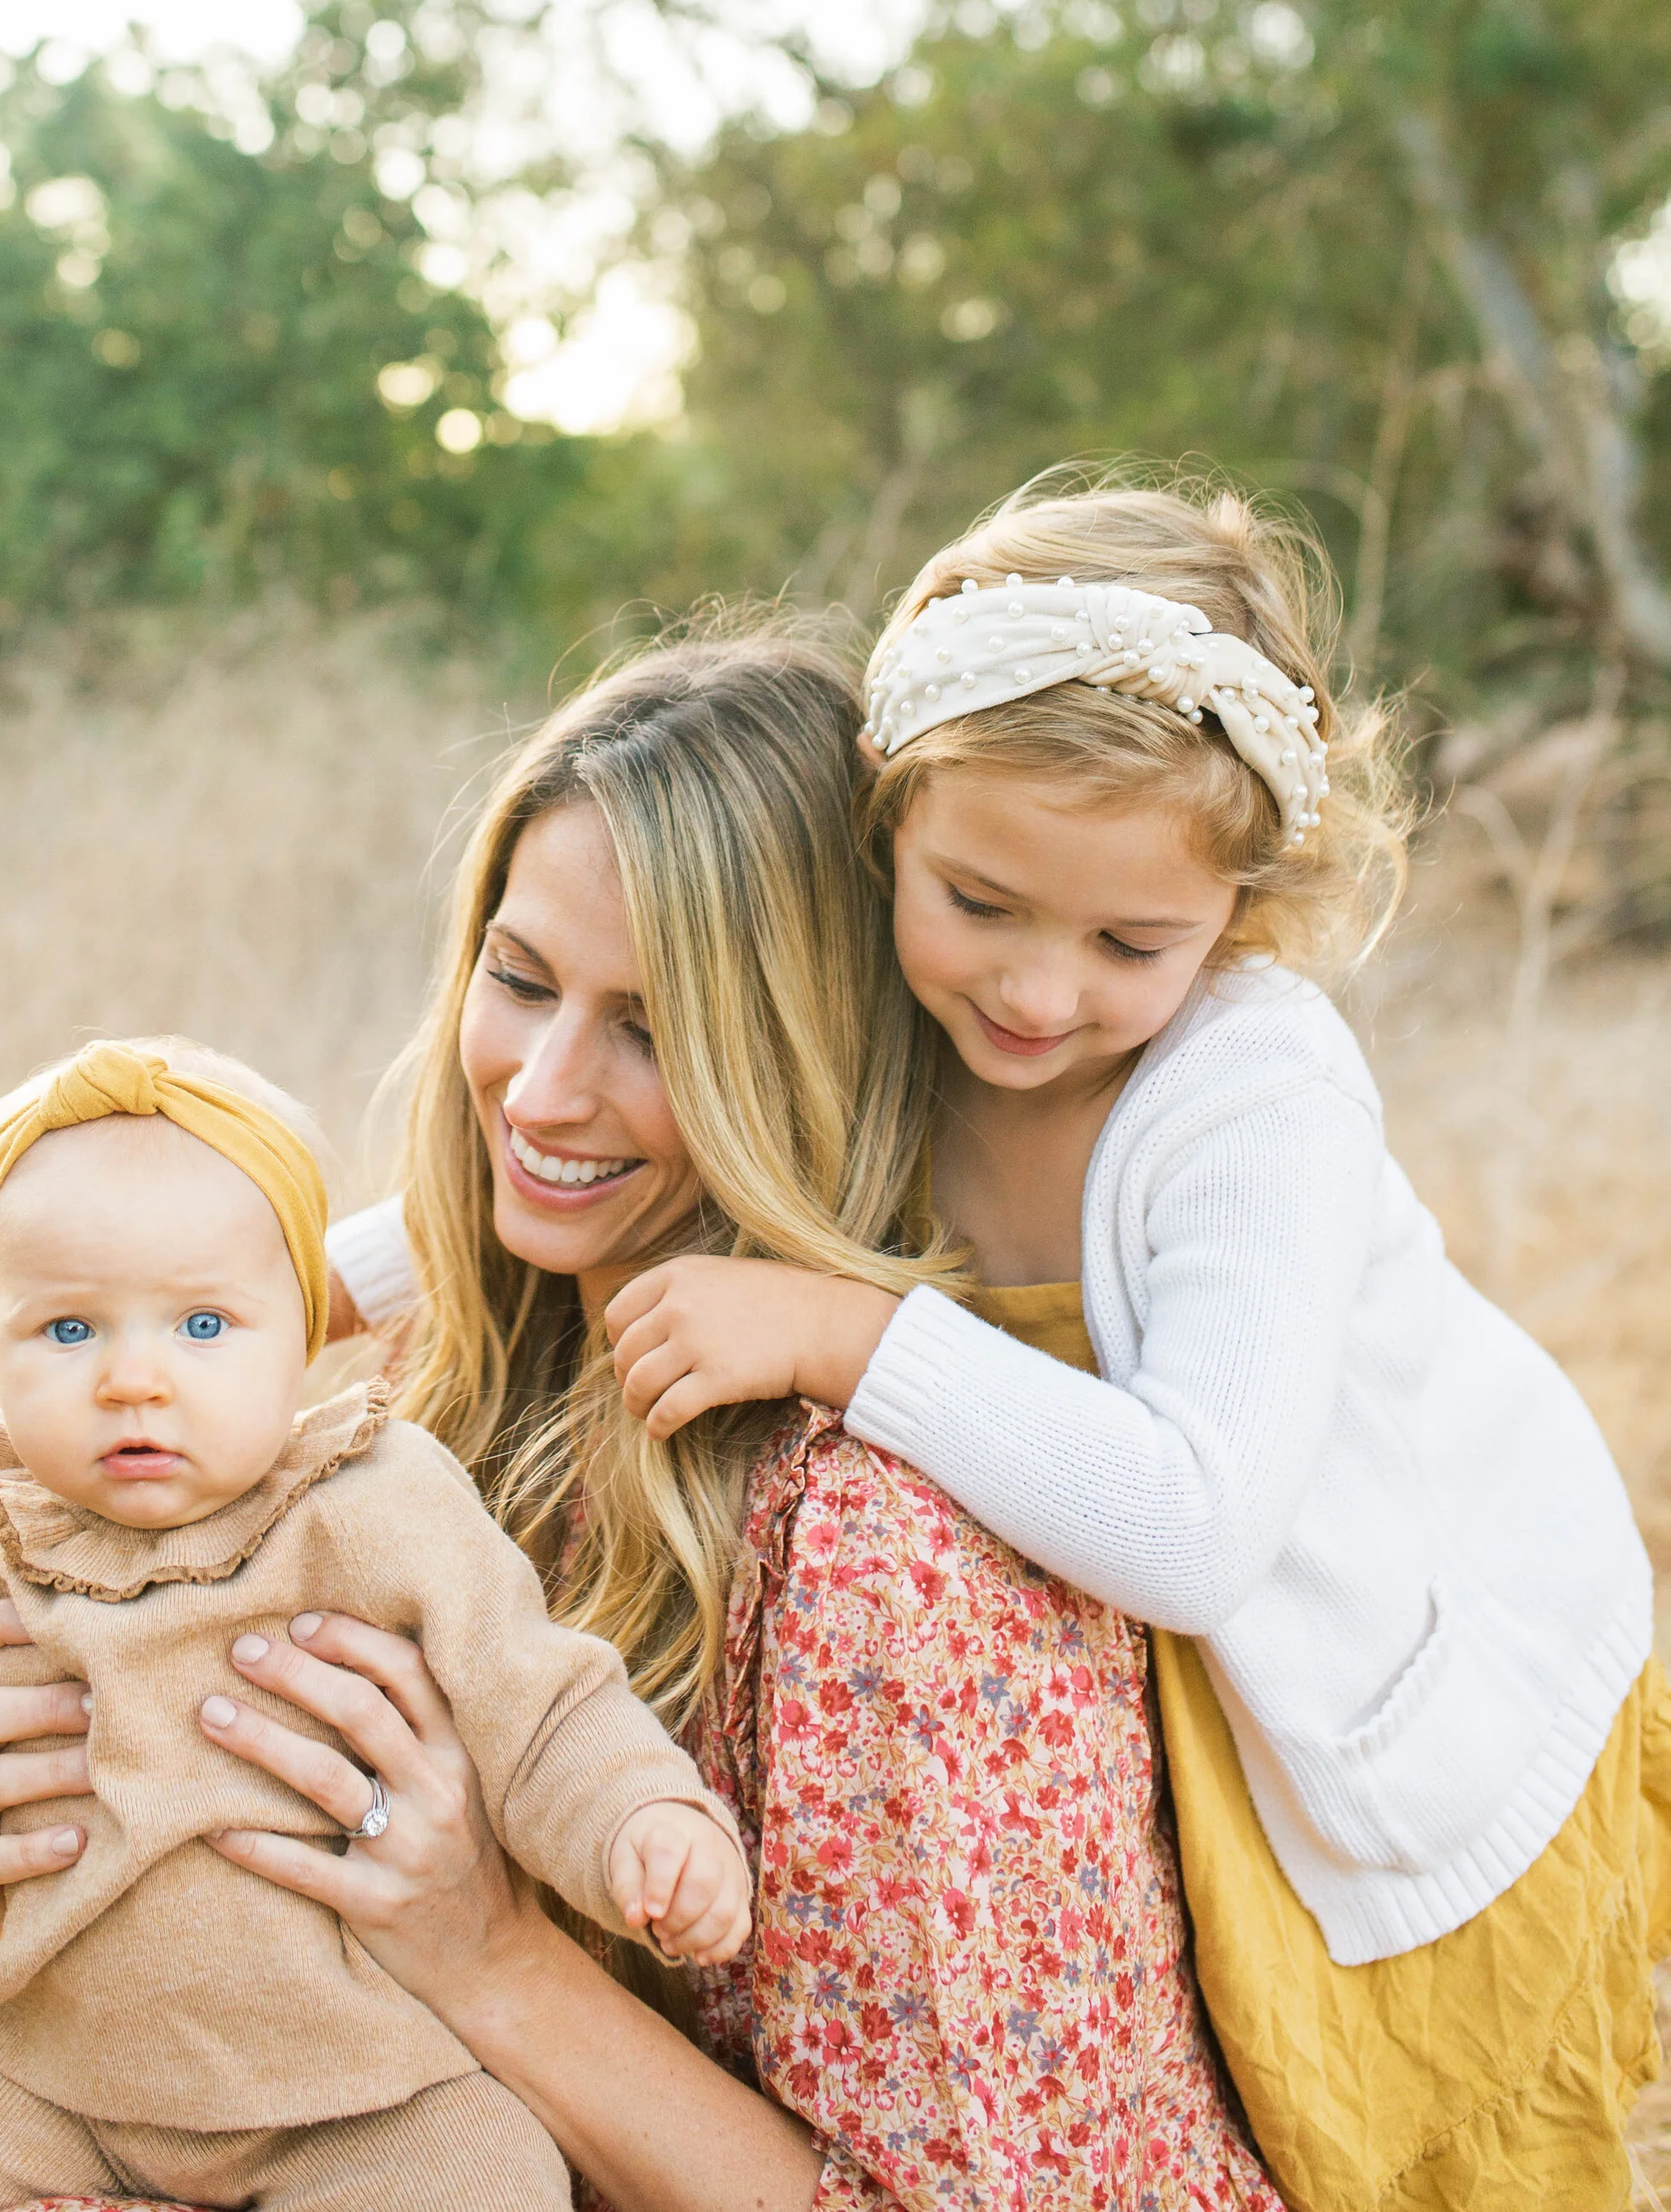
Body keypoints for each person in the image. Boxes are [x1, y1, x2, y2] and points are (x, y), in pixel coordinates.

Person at [0, 634, 1284, 2210]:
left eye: (652, 1027)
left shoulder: (879, 1559)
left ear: (803, 1054)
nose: (543, 1090)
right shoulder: (450, 1375)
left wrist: (487, 1951)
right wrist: (64, 1837)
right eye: (517, 980)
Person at [602, 484, 1671, 2209]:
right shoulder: (889, 1004)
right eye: (979, 900)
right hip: (1132, 1722)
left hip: (1373, 1693)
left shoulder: (1251, 1093)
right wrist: (354, 1264)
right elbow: (629, 1136)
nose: (1035, 991)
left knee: (1390, 2142)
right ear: (885, 815)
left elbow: (1189, 1528)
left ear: (1241, 905)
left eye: (1128, 942)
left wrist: (842, 1334)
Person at [0, 1032, 745, 2212]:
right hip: (43, 2075)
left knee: (489, 2172)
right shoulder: (0, 1531)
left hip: (365, 2091)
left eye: (203, 1326)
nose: (134, 1379)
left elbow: (540, 1703)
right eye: (69, 1329)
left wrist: (644, 1818)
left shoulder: (377, 1503)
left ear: (299, 1332)